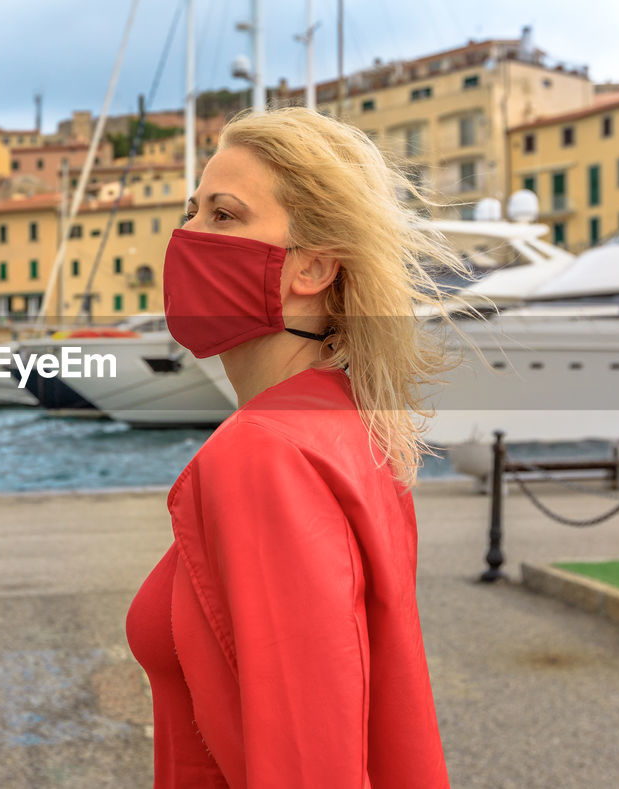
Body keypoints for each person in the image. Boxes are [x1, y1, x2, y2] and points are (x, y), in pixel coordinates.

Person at [125, 106, 457, 787]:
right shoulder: (351, 426)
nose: (186, 235)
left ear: (312, 269)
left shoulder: (263, 454)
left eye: (222, 214)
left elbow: (308, 768)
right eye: (191, 211)